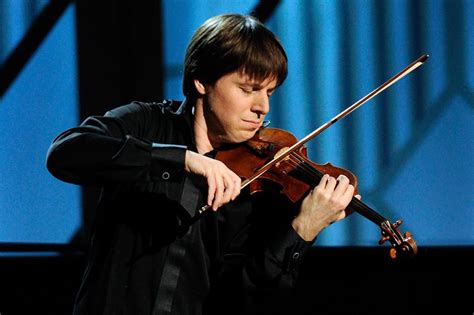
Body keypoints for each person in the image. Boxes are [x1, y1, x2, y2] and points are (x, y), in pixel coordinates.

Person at [46, 14, 356, 315]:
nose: (262, 107)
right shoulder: (145, 122)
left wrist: (303, 229)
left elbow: (252, 300)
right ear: (201, 80)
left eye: (269, 92)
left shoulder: (258, 186)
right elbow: (66, 152)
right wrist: (181, 159)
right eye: (248, 89)